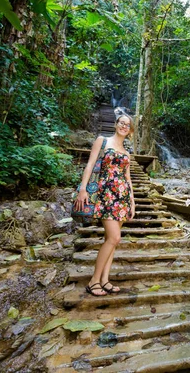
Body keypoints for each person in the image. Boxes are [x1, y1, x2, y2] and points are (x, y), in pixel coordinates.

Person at [73, 114, 136, 296]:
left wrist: (132, 201)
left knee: (111, 241)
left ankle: (105, 280)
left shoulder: (126, 153)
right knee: (114, 238)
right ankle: (94, 281)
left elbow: (127, 178)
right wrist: (83, 189)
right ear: (116, 124)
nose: (124, 126)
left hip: (122, 198)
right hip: (106, 196)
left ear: (130, 130)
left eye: (128, 125)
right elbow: (90, 165)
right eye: (121, 123)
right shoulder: (102, 141)